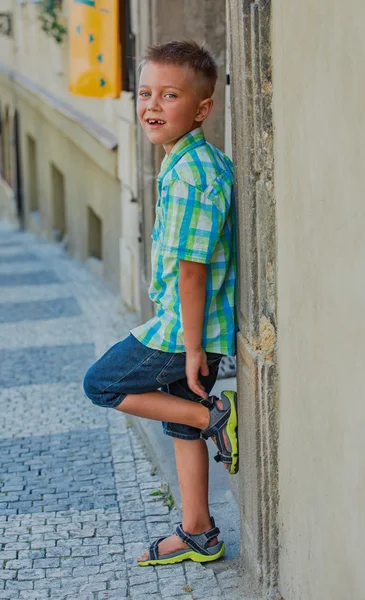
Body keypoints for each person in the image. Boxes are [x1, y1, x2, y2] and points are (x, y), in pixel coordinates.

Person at [83, 40, 238, 567]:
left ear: (201, 109)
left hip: (184, 329)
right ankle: (199, 533)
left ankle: (214, 414)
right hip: (187, 324)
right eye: (146, 92)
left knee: (102, 383)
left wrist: (193, 349)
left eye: (169, 95)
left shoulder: (194, 176)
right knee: (179, 424)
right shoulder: (191, 162)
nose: (151, 104)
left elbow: (193, 272)